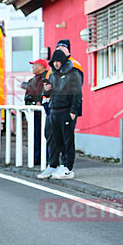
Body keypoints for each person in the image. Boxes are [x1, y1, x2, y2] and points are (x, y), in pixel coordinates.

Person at [37, 51, 82, 180]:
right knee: (57, 140)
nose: (56, 64)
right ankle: (60, 165)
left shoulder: (73, 74)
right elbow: (50, 93)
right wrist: (47, 90)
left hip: (66, 110)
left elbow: (77, 93)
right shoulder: (53, 74)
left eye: (58, 61)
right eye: (54, 62)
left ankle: (68, 167)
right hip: (54, 111)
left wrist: (73, 110)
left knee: (68, 140)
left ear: (62, 61)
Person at [24, 59, 49, 163]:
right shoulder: (32, 80)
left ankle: (46, 157)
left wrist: (40, 102)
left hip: (44, 112)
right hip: (33, 112)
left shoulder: (47, 78)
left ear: (42, 67)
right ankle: (36, 157)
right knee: (35, 134)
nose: (33, 68)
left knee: (45, 135)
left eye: (35, 65)